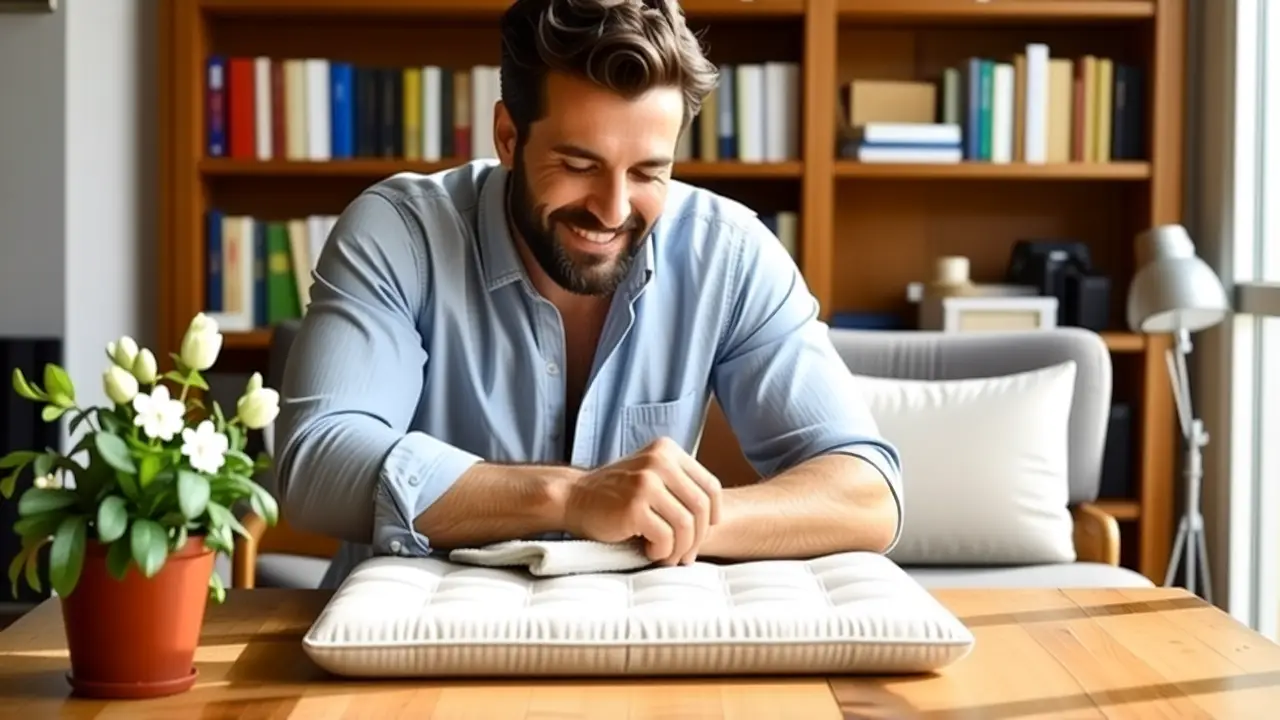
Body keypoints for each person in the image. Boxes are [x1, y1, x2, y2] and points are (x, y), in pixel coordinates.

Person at [273, 0, 903, 589]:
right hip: (407, 644)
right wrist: (571, 498)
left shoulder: (730, 253)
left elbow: (867, 492)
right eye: (579, 166)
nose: (614, 209)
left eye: (649, 171)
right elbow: (316, 462)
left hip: (630, 646)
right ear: (508, 137)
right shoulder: (400, 232)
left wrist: (676, 517)